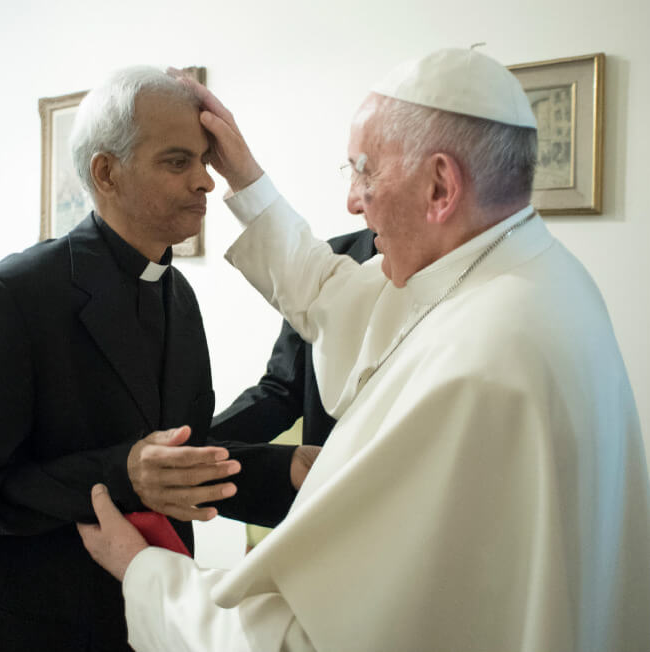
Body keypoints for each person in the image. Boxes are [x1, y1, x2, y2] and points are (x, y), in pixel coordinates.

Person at [78, 49, 650, 651]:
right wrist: (247, 181)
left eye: (364, 171)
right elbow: (334, 295)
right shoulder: (526, 278)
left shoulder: (477, 362)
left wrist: (144, 573)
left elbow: (303, 639)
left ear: (440, 186)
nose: (353, 201)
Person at [0, 66, 241, 652]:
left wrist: (296, 467)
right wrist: (122, 473)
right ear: (106, 172)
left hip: (154, 618)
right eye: (178, 162)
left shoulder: (178, 293)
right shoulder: (10, 296)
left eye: (205, 161)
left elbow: (180, 459)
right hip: (35, 624)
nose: (204, 181)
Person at [210, 228, 377, 527]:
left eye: (367, 176)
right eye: (354, 176)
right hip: (326, 507)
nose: (355, 200)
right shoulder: (336, 255)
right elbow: (281, 390)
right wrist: (196, 447)